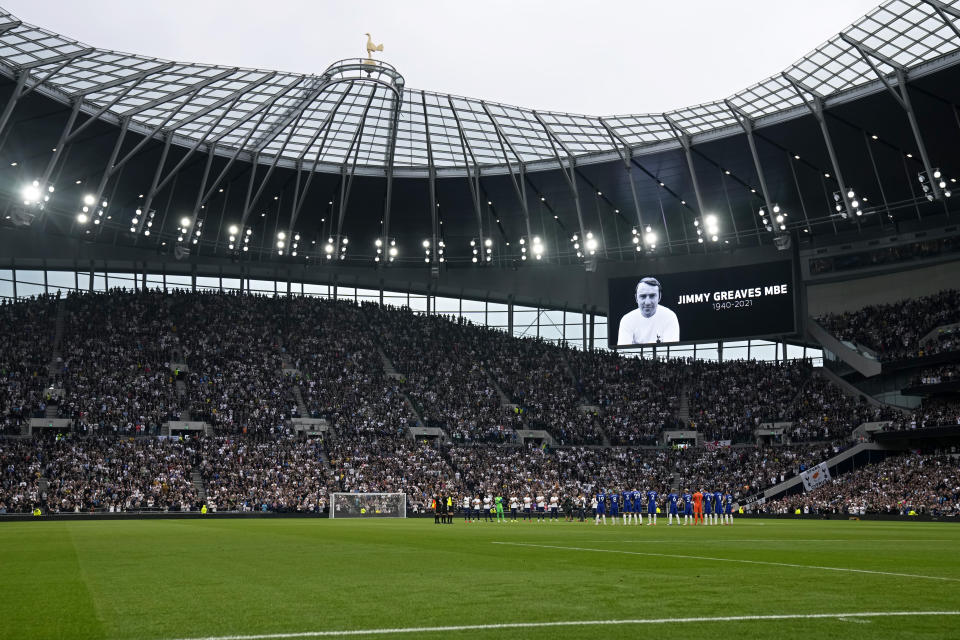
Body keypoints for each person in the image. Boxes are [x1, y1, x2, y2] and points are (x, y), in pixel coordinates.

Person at [617, 277, 680, 346]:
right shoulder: (627, 320)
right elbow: (623, 351)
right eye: (643, 296)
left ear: (659, 297)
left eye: (652, 296)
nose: (647, 302)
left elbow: (670, 350)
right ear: (636, 298)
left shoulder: (670, 317)